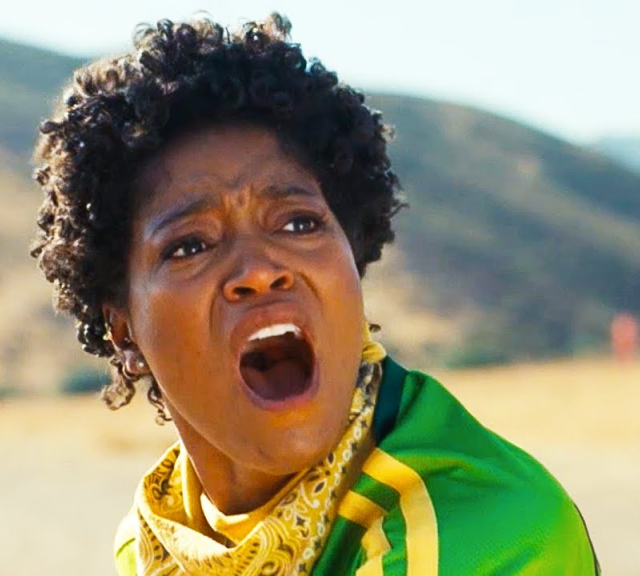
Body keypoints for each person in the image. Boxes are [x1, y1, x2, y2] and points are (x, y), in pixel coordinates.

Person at [30, 14, 599, 575]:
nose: (259, 270)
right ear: (124, 331)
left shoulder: (479, 534)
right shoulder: (157, 539)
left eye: (299, 223)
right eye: (190, 245)